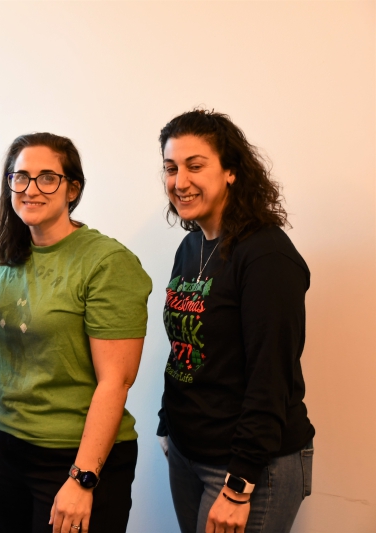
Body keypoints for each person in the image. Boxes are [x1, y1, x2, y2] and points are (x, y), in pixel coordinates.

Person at [0, 132, 152, 533]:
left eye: (47, 178)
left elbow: (116, 381)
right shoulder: (13, 253)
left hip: (73, 459)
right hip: (8, 447)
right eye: (20, 177)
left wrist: (83, 477)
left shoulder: (106, 262)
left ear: (72, 189)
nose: (31, 189)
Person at [156, 109, 314, 533]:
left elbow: (270, 377)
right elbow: (184, 348)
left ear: (230, 171)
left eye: (195, 165)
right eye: (171, 168)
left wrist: (239, 484)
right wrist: (168, 423)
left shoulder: (266, 256)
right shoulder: (191, 247)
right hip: (188, 455)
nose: (180, 181)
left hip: (249, 468)